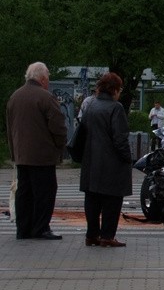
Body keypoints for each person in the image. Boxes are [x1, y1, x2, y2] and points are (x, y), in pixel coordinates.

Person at [6, 62, 68, 240]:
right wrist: (60, 148)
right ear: (42, 78)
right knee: (44, 193)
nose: (48, 82)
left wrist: (14, 153)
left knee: (23, 193)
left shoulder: (15, 97)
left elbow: (10, 128)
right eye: (47, 78)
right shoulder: (46, 97)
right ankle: (41, 228)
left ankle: (23, 229)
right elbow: (58, 127)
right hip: (42, 156)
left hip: (21, 156)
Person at [78, 72, 132, 247]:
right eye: (120, 89)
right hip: (111, 163)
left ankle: (91, 234)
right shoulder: (116, 108)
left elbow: (82, 133)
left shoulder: (91, 106)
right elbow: (120, 139)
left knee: (92, 199)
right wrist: (128, 158)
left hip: (91, 161)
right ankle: (107, 236)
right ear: (115, 89)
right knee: (112, 200)